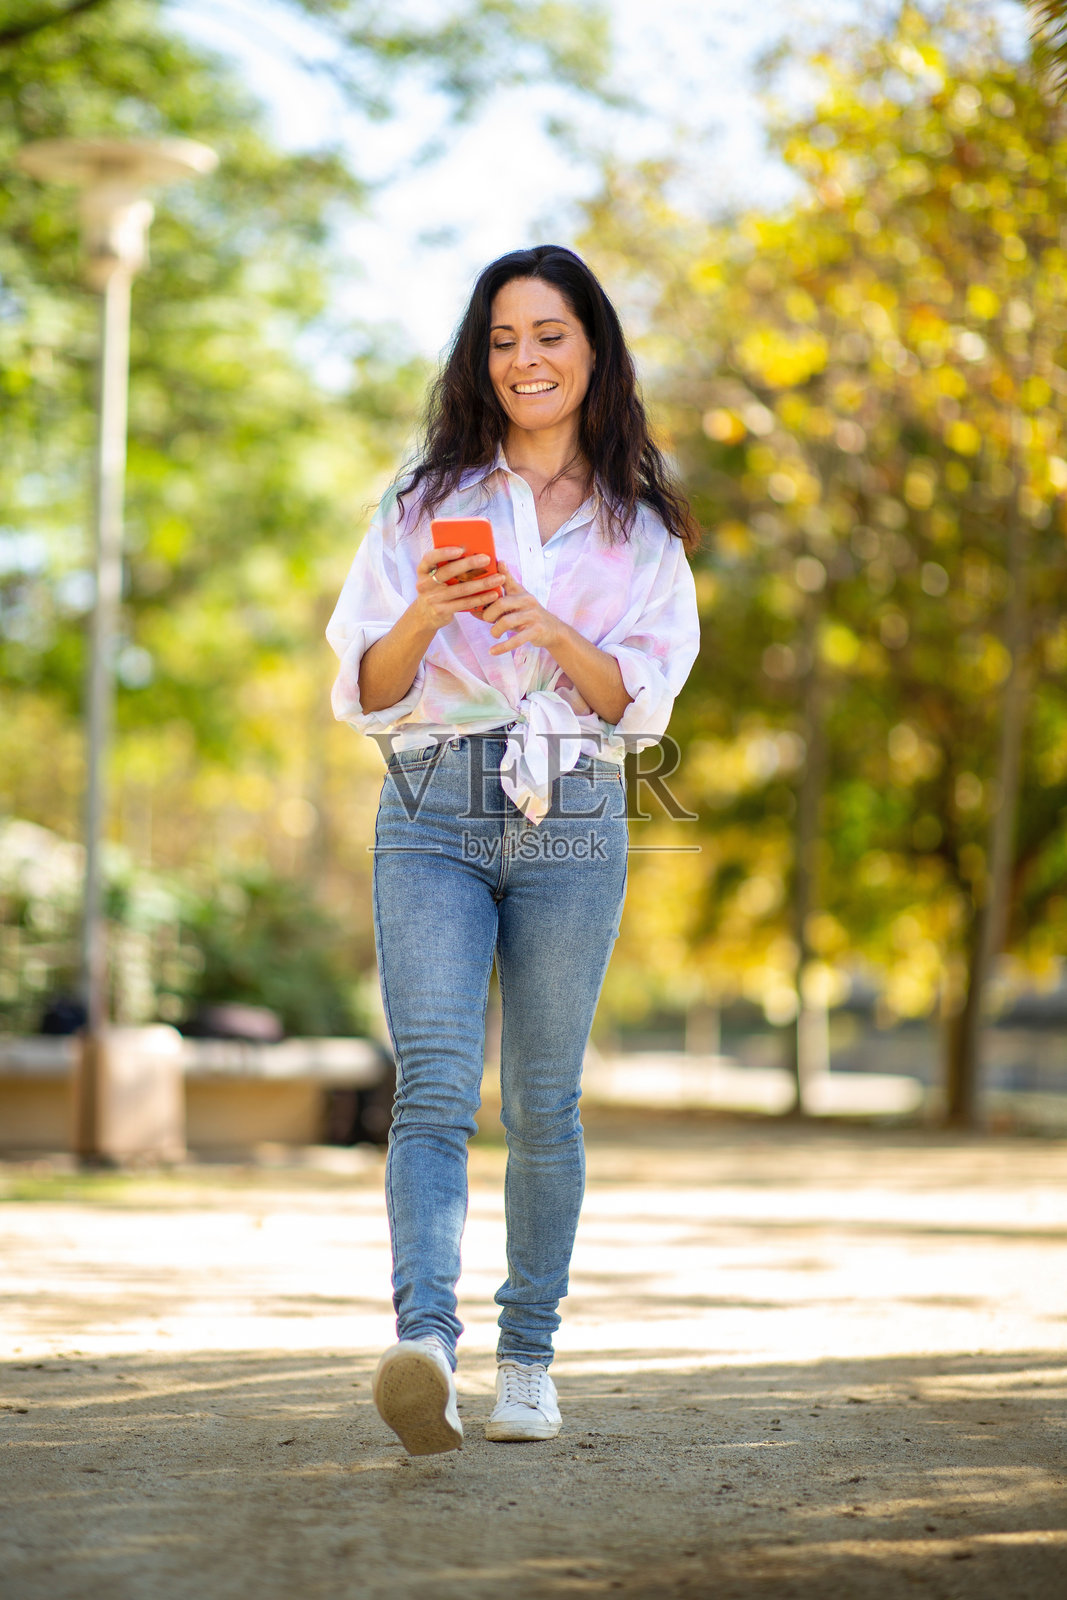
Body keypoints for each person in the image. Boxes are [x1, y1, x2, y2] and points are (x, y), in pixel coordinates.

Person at [327, 244, 699, 1456]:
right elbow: (366, 687)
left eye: (547, 334)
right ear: (478, 361)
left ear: (591, 348)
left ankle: (526, 1358)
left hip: (574, 813)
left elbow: (637, 703)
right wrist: (427, 613)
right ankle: (424, 1346)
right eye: (501, 339)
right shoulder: (421, 499)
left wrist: (543, 625)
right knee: (432, 1087)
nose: (524, 359)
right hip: (429, 801)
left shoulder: (640, 525)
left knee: (544, 1101)